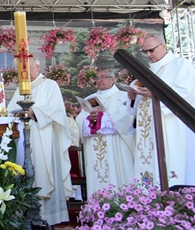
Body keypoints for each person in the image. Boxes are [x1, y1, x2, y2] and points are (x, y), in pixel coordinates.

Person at [127, 34, 195, 187]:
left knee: (171, 168)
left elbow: (186, 95)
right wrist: (134, 97)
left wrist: (155, 94)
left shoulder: (180, 65)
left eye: (151, 50)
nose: (149, 55)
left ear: (163, 46)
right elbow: (140, 105)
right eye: (145, 52)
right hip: (150, 132)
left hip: (173, 128)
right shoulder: (148, 72)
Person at [7, 58, 72, 226]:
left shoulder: (49, 85)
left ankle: (45, 217)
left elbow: (57, 110)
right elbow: (9, 111)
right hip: (22, 140)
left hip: (43, 138)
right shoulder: (20, 89)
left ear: (37, 66)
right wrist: (16, 114)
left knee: (42, 172)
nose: (23, 73)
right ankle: (22, 215)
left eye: (27, 68)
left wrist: (34, 112)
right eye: (20, 69)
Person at [75, 68, 135, 194]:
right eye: (97, 78)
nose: (99, 80)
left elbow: (126, 118)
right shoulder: (91, 99)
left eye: (103, 77)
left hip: (115, 147)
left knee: (116, 175)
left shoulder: (122, 97)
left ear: (112, 79)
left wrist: (102, 118)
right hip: (95, 148)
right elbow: (80, 120)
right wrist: (89, 119)